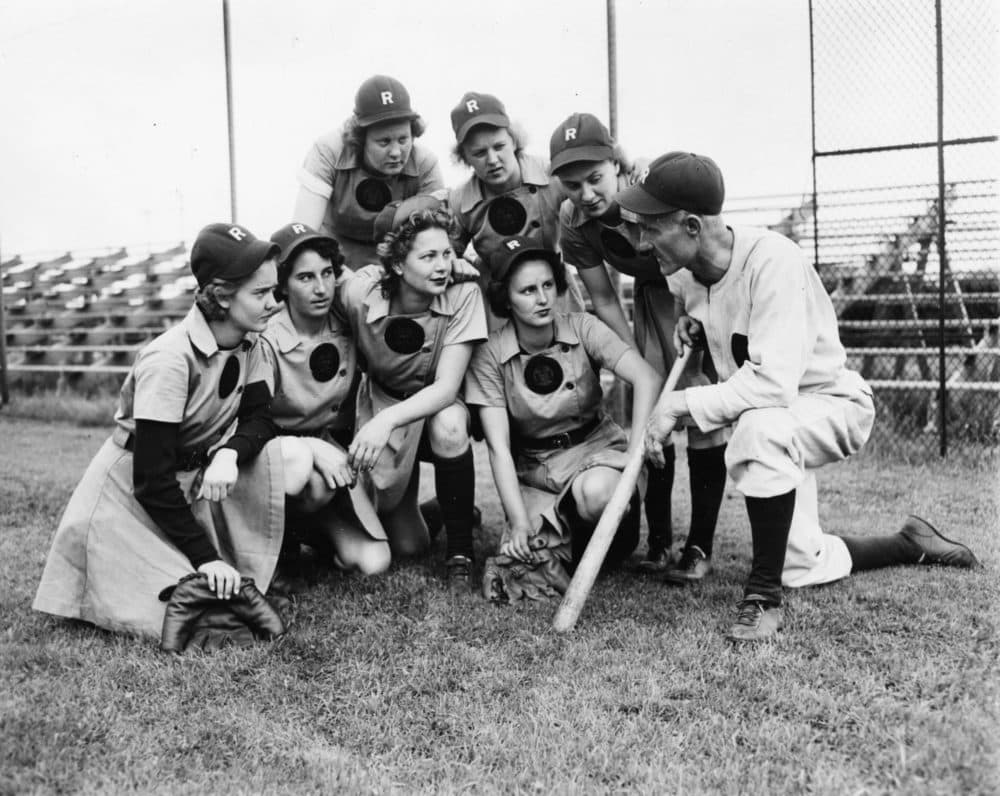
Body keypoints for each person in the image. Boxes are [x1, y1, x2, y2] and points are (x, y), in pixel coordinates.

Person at [617, 152, 981, 641]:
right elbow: (710, 312)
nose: (640, 242)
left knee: (757, 428)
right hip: (779, 415)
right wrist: (693, 324)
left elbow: (771, 386)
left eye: (650, 229)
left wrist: (679, 407)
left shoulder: (774, 262)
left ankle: (762, 598)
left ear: (691, 225)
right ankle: (908, 543)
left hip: (829, 403)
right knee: (801, 564)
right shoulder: (681, 272)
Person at [33, 223, 320, 639]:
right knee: (176, 612)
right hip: (129, 500)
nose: (275, 303)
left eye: (274, 291)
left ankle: (225, 576)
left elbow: (261, 419)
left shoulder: (251, 342)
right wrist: (207, 559)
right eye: (260, 294)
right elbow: (151, 480)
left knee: (218, 596)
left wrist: (228, 453)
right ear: (221, 295)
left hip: (191, 480)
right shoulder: (169, 358)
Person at [549, 112, 728, 578]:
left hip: (693, 294)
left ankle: (699, 549)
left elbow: (701, 249)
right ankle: (660, 542)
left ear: (616, 163)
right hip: (650, 303)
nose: (586, 194)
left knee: (701, 412)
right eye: (572, 185)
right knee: (653, 415)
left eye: (595, 178)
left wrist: (695, 312)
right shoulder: (574, 221)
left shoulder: (649, 188)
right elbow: (604, 296)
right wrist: (635, 362)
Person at [465, 235, 662, 586]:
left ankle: (606, 542)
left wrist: (632, 455)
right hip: (539, 471)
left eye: (547, 285)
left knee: (597, 494)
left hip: (595, 453)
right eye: (527, 291)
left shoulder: (582, 326)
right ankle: (557, 544)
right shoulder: (490, 355)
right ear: (505, 299)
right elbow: (498, 448)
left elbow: (646, 378)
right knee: (519, 559)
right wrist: (519, 521)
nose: (543, 299)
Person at [335, 195, 488, 593]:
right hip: (382, 400)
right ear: (399, 264)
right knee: (408, 545)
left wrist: (386, 423)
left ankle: (460, 553)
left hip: (430, 404)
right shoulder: (360, 290)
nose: (442, 266)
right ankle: (442, 511)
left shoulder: (463, 294)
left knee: (451, 423)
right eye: (428, 257)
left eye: (447, 254)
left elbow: (446, 388)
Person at [261, 222, 391, 577]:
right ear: (282, 285)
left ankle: (317, 537)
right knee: (310, 480)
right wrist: (310, 446)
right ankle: (279, 552)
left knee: (374, 563)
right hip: (275, 455)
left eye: (327, 273)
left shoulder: (345, 318)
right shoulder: (266, 338)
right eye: (305, 278)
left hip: (331, 447)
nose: (321, 289)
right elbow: (247, 421)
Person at [447, 91, 586, 326]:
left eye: (499, 146)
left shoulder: (551, 174)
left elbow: (598, 183)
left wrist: (631, 165)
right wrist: (456, 262)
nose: (492, 160)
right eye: (479, 153)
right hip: (500, 306)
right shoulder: (460, 202)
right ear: (464, 158)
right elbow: (446, 254)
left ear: (514, 140)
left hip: (555, 294)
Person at [293, 75, 445, 269]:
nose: (396, 152)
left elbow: (438, 238)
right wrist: (341, 278)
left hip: (395, 262)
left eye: (403, 139)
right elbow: (304, 234)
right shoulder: (328, 151)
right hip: (331, 258)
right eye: (384, 142)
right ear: (361, 139)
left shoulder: (425, 162)